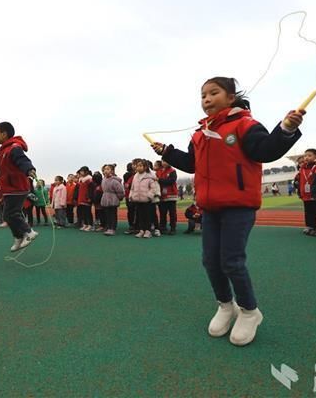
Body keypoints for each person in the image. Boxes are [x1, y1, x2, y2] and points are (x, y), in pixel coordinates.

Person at [152, 76, 303, 346]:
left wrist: (286, 129)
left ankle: (249, 310)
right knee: (210, 261)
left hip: (239, 206)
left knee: (231, 261)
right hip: (210, 207)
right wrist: (167, 152)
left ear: (230, 97)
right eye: (203, 95)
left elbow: (267, 151)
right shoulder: (199, 134)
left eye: (213, 93)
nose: (207, 99)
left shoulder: (245, 125)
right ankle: (225, 305)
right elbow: (191, 164)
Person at [0, 121, 39, 251]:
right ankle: (18, 236)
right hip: (9, 188)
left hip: (17, 187)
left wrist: (29, 169)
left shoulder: (14, 147)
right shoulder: (3, 151)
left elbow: (22, 159)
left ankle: (29, 232)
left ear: (4, 134)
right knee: (8, 215)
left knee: (11, 213)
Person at [129, 159, 160, 238]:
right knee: (140, 216)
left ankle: (148, 231)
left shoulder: (149, 176)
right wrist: (131, 195)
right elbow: (132, 187)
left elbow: (153, 188)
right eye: (137, 166)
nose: (138, 167)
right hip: (138, 200)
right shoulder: (135, 176)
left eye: (140, 166)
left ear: (145, 167)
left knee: (147, 216)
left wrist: (149, 196)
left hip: (147, 200)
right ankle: (141, 230)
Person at [299, 149, 316, 236]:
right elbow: (301, 181)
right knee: (308, 211)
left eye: (309, 155)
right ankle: (310, 226)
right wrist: (300, 192)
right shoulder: (302, 168)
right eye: (305, 156)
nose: (306, 157)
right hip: (306, 195)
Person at [100, 163, 125, 236]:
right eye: (105, 169)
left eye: (108, 169)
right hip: (105, 199)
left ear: (112, 171)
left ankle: (112, 228)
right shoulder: (104, 180)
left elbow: (120, 191)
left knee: (112, 215)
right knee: (107, 214)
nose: (106, 171)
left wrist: (120, 198)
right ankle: (108, 227)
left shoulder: (114, 181)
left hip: (113, 200)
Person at [156, 160, 178, 235]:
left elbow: (171, 181)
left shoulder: (172, 171)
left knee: (172, 213)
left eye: (166, 161)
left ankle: (173, 228)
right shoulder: (159, 171)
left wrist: (159, 180)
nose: (164, 163)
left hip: (171, 196)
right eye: (163, 161)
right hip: (162, 196)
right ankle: (162, 227)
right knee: (162, 213)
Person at [77, 166, 94, 231]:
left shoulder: (89, 179)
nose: (81, 172)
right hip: (81, 198)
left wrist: (89, 197)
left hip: (87, 198)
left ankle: (90, 225)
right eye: (80, 171)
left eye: (82, 171)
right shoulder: (80, 179)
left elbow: (91, 190)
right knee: (83, 212)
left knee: (88, 212)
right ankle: (85, 224)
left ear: (86, 171)